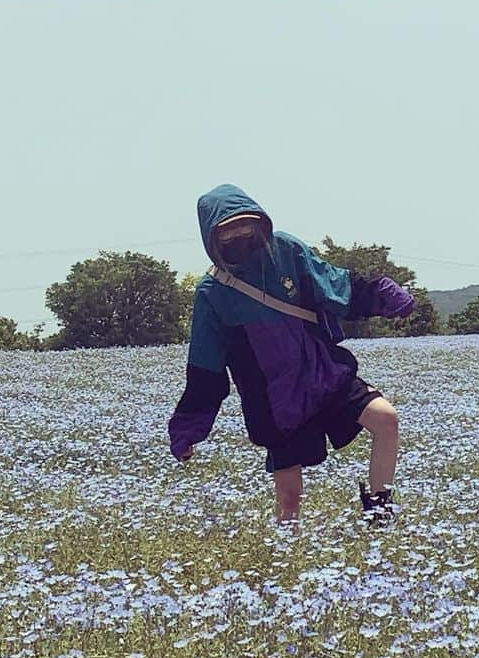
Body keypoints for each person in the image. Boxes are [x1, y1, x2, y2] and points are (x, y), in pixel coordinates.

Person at [167, 183, 415, 527]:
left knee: (385, 419)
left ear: (259, 223)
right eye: (228, 232)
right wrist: (188, 429)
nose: (240, 235)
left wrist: (381, 295)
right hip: (273, 399)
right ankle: (286, 561)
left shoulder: (286, 249)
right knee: (289, 496)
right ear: (212, 239)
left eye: (245, 225)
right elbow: (205, 368)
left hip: (322, 373)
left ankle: (379, 514)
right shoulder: (212, 292)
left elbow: (334, 285)